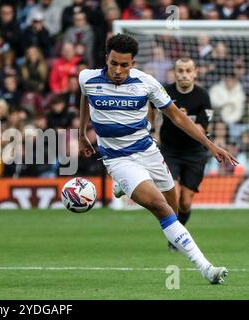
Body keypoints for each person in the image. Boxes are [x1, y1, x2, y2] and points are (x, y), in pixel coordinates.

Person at [78, 34, 237, 284]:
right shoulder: (87, 77)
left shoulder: (147, 83)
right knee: (161, 208)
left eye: (125, 65)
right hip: (118, 159)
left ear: (133, 63)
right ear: (106, 58)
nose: (118, 70)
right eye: (114, 63)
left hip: (149, 152)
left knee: (174, 209)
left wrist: (210, 144)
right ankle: (207, 268)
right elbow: (85, 97)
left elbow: (177, 117)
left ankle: (125, 186)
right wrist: (81, 134)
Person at [148, 57, 214, 251]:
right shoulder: (165, 92)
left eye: (188, 70)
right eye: (180, 70)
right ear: (174, 73)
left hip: (195, 153)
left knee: (185, 203)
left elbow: (202, 129)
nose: (184, 74)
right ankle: (176, 237)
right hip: (170, 151)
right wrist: (153, 130)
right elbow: (151, 106)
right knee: (173, 196)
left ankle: (178, 234)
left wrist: (182, 119)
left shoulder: (203, 96)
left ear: (195, 73)